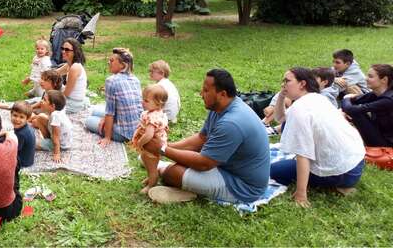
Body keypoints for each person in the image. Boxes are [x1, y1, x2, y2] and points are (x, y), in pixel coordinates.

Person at [144, 69, 270, 204]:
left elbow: (204, 164)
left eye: (205, 90)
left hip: (242, 187)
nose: (201, 94)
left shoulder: (231, 123)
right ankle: (165, 168)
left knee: (171, 174)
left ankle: (167, 172)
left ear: (222, 94)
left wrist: (162, 149)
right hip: (225, 167)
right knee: (176, 165)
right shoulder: (220, 107)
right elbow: (202, 138)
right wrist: (167, 146)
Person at [270, 67, 365, 208]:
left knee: (274, 170)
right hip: (356, 162)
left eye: (287, 81)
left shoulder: (301, 110)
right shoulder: (317, 98)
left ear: (302, 84)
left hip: (343, 172)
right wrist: (282, 96)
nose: (283, 84)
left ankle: (334, 185)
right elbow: (281, 118)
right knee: (286, 128)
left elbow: (303, 154)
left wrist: (301, 194)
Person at [85, 47, 143, 147]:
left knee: (89, 121)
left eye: (112, 60)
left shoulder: (111, 81)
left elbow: (110, 112)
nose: (108, 62)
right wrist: (104, 118)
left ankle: (111, 132)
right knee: (95, 111)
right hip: (137, 127)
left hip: (124, 133)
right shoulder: (135, 79)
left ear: (123, 65)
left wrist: (107, 137)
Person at [342, 64, 393, 147]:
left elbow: (351, 109)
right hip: (379, 133)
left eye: (370, 76)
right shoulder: (375, 94)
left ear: (384, 79)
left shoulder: (388, 100)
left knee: (356, 112)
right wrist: (348, 102)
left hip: (387, 144)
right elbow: (353, 102)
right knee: (353, 109)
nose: (366, 78)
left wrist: (346, 98)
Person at [132, 84, 169, 195]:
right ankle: (150, 177)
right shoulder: (153, 112)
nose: (143, 102)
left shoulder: (153, 117)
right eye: (143, 99)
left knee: (152, 166)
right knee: (146, 161)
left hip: (152, 147)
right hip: (150, 146)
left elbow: (149, 134)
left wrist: (139, 143)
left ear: (158, 103)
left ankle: (151, 184)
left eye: (146, 101)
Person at [31, 90, 73, 163]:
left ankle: (47, 143)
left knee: (31, 143)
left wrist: (57, 153)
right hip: (59, 137)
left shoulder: (55, 116)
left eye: (44, 100)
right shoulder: (57, 111)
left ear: (52, 106)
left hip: (60, 145)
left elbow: (56, 137)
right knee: (40, 117)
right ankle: (46, 139)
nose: (41, 101)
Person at [55, 38, 89, 114]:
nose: (63, 51)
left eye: (67, 50)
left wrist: (53, 100)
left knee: (45, 107)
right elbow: (55, 73)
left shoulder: (75, 67)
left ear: (75, 52)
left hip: (73, 103)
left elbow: (66, 93)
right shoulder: (69, 65)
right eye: (62, 48)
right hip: (70, 99)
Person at [10, 101, 36, 168]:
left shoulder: (21, 134)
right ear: (11, 114)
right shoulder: (26, 127)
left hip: (22, 162)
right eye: (15, 115)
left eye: (21, 117)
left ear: (27, 119)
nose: (17, 119)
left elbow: (14, 149)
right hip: (28, 159)